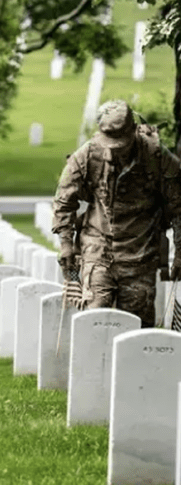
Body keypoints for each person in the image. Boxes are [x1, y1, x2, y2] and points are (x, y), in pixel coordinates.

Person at [52, 99, 181, 327]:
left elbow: (178, 206)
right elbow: (64, 202)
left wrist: (180, 251)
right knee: (93, 317)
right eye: (110, 143)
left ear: (134, 131)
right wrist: (66, 243)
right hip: (98, 248)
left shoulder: (157, 157)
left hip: (140, 253)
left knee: (137, 324)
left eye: (121, 142)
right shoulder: (87, 155)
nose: (115, 149)